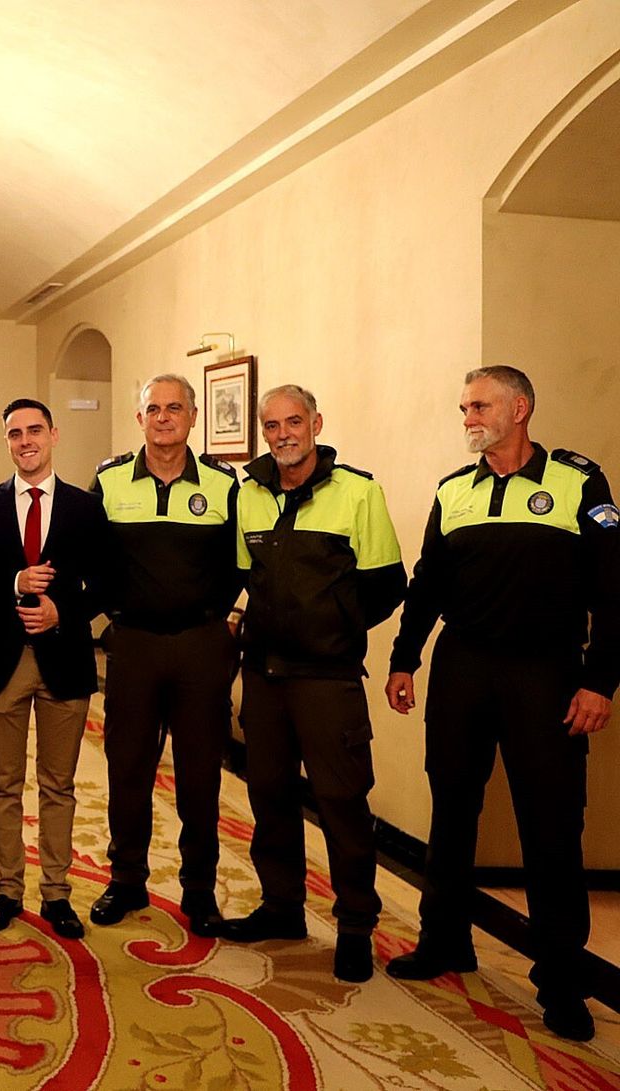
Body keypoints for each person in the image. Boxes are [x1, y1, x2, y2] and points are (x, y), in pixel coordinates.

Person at [384, 366, 618, 1042]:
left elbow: (614, 591)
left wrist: (600, 681)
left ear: (520, 409)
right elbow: (428, 582)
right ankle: (444, 939)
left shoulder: (578, 482)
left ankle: (562, 980)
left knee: (551, 825)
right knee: (452, 808)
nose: (469, 418)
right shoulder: (454, 489)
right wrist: (405, 657)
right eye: (464, 408)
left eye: (480, 406)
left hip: (546, 673)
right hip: (464, 667)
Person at [223, 384, 405, 984]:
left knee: (341, 802)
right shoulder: (249, 494)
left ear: (316, 424)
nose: (283, 435)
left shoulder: (358, 491)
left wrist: (333, 627)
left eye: (293, 422)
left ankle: (355, 925)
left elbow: (386, 586)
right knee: (269, 796)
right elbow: (245, 576)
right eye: (272, 425)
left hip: (327, 679)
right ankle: (282, 907)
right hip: (265, 676)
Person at [89, 375, 242, 939]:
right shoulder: (109, 481)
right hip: (133, 645)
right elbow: (93, 560)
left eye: (174, 407)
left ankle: (199, 889)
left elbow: (239, 564)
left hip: (200, 647)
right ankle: (126, 878)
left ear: (193, 416)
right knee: (127, 768)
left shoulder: (224, 485)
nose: (163, 417)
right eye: (153, 408)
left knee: (199, 776)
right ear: (140, 419)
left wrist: (220, 620)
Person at [0, 399, 106, 940]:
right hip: (3, 662)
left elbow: (108, 583)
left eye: (35, 430)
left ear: (53, 435)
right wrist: (13, 584)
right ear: (7, 442)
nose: (26, 441)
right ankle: (7, 890)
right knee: (4, 783)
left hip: (65, 661)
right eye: (15, 433)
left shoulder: (86, 507)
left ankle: (57, 893)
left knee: (58, 784)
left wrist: (62, 610)